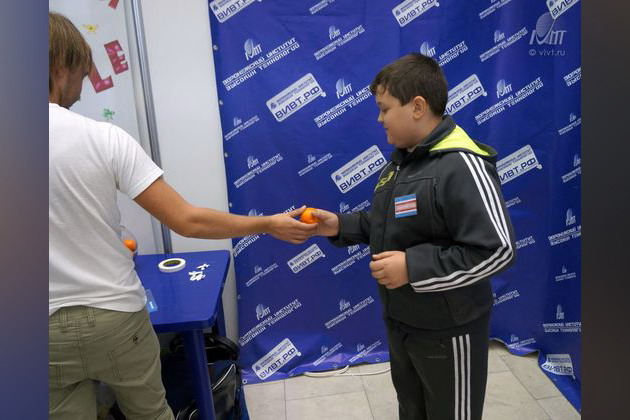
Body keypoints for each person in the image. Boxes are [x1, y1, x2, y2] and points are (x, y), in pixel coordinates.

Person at [48, 11, 315, 420]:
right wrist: (266, 223)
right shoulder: (104, 138)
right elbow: (187, 220)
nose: (81, 91)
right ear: (59, 67)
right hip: (115, 314)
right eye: (81, 75)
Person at [311, 53, 516, 420]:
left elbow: (497, 250)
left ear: (418, 107)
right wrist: (338, 226)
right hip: (404, 324)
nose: (379, 119)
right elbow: (388, 224)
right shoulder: (401, 163)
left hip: (450, 332)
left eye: (385, 109)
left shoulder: (461, 164)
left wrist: (412, 268)